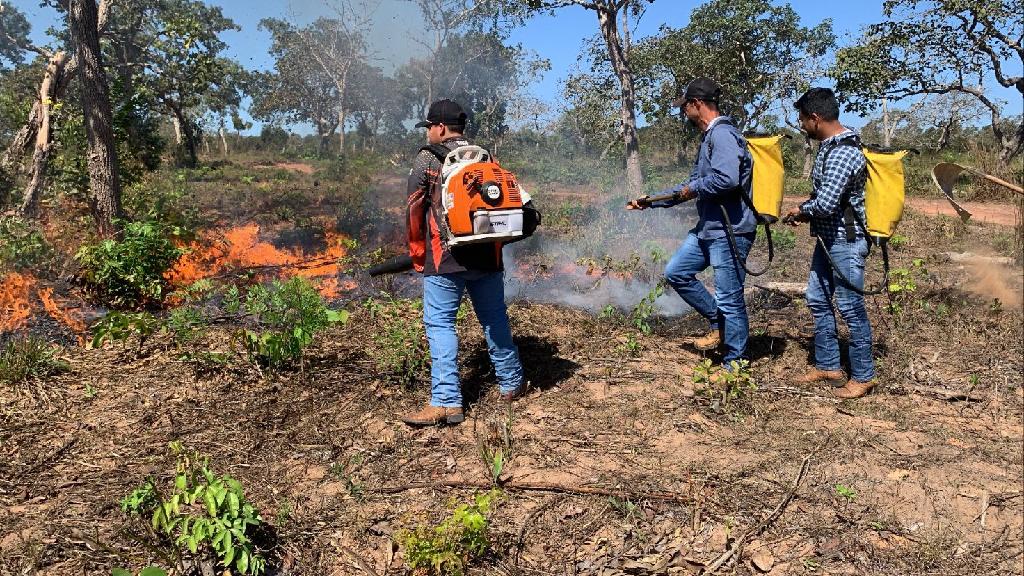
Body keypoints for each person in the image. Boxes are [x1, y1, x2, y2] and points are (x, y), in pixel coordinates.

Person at [400, 99, 525, 427]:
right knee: (494, 318)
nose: (428, 132)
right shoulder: (485, 156)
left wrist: (418, 253)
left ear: (441, 127)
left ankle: (446, 401)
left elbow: (414, 208)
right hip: (487, 252)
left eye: (430, 126)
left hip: (446, 257)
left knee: (440, 323)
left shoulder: (428, 158)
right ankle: (512, 382)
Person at [627, 77, 757, 367]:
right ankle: (719, 323)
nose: (683, 112)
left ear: (697, 104)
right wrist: (652, 201)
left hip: (730, 231)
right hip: (709, 228)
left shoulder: (723, 135)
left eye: (684, 106)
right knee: (677, 272)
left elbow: (726, 179)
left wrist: (693, 189)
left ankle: (735, 363)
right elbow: (692, 183)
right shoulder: (708, 137)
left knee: (730, 298)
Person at [784, 87, 876, 399]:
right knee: (817, 297)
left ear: (815, 118)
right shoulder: (829, 147)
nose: (801, 125)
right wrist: (806, 211)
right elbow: (824, 199)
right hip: (829, 238)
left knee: (850, 306)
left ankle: (863, 375)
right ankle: (828, 365)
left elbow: (825, 204)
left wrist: (802, 210)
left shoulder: (842, 153)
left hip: (845, 241)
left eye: (802, 120)